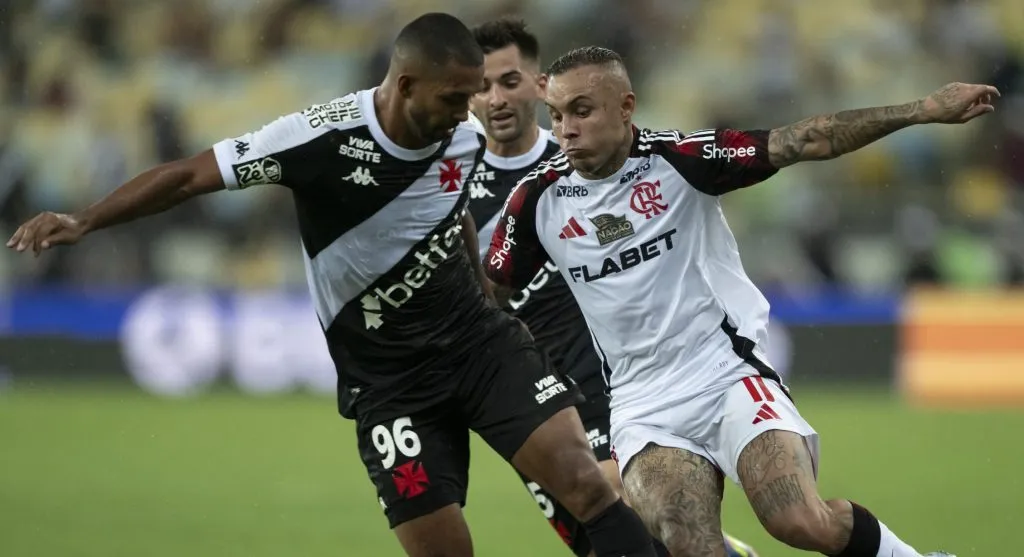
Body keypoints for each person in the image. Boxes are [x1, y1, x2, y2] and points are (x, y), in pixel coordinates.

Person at [6, 17, 660, 557]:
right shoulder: (316, 138)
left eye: (474, 96)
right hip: (390, 383)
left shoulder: (460, 139)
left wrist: (485, 282)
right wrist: (85, 218)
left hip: (480, 346)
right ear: (406, 85)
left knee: (587, 486)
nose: (471, 114)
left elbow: (451, 204)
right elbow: (186, 176)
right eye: (456, 97)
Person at [485, 45, 998, 557]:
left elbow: (805, 139)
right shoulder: (535, 201)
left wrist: (921, 111)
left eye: (582, 110)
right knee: (688, 543)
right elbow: (490, 293)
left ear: (625, 107)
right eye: (556, 114)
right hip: (643, 404)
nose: (566, 129)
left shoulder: (681, 160)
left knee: (797, 520)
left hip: (727, 372)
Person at [468, 18, 759, 557]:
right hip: (525, 383)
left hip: (600, 373)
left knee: (619, 507)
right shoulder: (453, 177)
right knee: (599, 541)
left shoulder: (581, 161)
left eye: (509, 81)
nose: (495, 98)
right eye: (480, 86)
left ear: (539, 84)